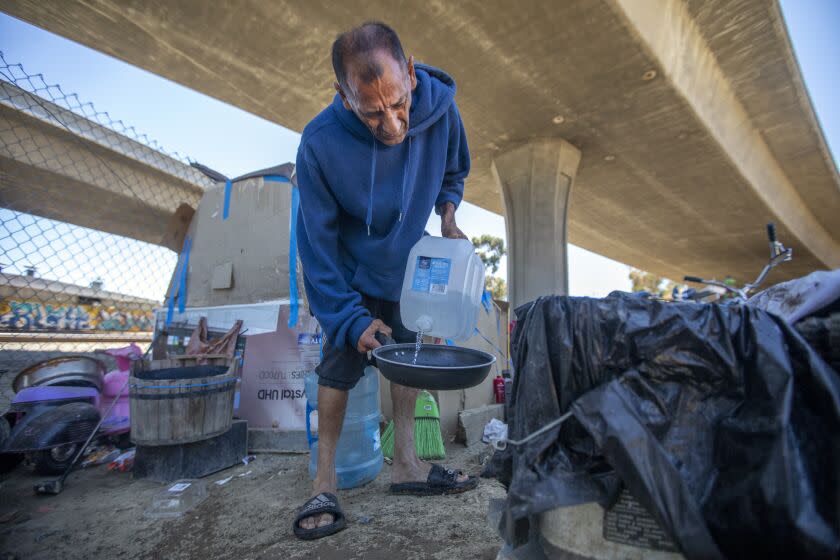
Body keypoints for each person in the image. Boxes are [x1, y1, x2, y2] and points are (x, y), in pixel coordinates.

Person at [292, 21, 477, 540]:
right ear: (343, 96)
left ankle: (407, 465)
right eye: (372, 112)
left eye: (398, 104)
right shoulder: (319, 145)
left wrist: (447, 213)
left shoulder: (440, 110)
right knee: (339, 365)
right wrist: (350, 319)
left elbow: (454, 170)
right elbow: (317, 248)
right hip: (350, 270)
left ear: (411, 74)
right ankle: (323, 481)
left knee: (410, 355)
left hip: (407, 264)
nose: (393, 124)